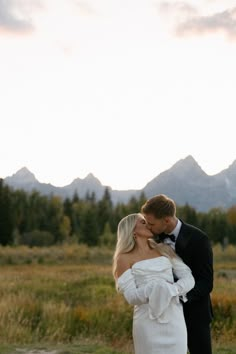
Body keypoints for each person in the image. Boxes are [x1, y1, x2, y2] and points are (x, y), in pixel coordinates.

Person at [113, 213, 195, 354]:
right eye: (143, 222)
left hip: (174, 318)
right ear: (132, 230)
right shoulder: (123, 258)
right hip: (147, 322)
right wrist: (153, 288)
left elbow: (189, 278)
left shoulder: (164, 249)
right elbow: (131, 297)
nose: (149, 224)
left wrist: (172, 289)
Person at [141, 194, 214, 354]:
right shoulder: (151, 238)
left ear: (166, 220)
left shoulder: (199, 239)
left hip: (195, 313)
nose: (148, 227)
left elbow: (206, 282)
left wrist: (179, 298)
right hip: (163, 315)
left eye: (151, 223)